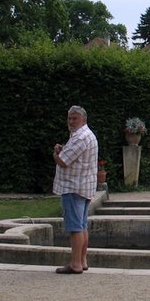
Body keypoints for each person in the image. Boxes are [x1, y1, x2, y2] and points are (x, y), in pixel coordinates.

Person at [52, 105, 99, 274]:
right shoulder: (86, 135)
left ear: (83, 120)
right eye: (70, 118)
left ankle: (75, 263)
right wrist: (63, 149)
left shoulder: (80, 137)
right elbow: (75, 156)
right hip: (84, 186)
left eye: (75, 118)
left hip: (74, 187)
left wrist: (56, 154)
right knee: (82, 225)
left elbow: (64, 161)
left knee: (75, 228)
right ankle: (82, 260)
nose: (71, 121)